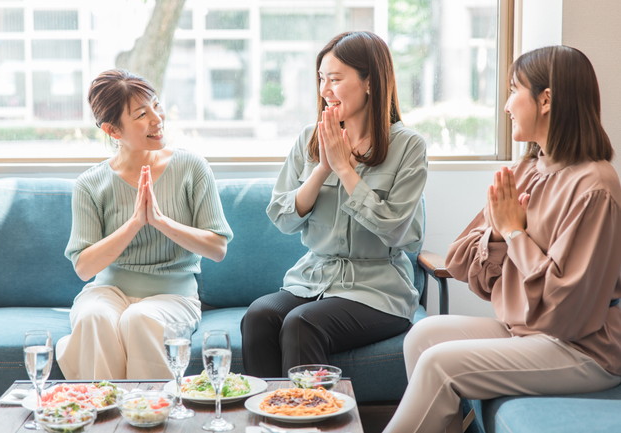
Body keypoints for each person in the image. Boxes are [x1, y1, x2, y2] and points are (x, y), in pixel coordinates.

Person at [383, 45, 621, 433]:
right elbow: (461, 262)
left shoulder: (595, 187)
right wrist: (497, 230)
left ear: (546, 100)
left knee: (438, 365)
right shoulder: (529, 169)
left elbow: (568, 312)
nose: (507, 105)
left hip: (584, 349)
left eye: (514, 90)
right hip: (527, 330)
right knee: (422, 336)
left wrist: (514, 233)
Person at [240, 31, 428, 377]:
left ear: (370, 81)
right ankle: (267, 422)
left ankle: (308, 423)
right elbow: (282, 217)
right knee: (259, 316)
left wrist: (345, 169)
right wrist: (323, 168)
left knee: (302, 324)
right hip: (313, 278)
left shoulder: (408, 146)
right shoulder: (310, 138)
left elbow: (396, 229)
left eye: (336, 79)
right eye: (322, 79)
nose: (325, 90)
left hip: (378, 290)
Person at [56, 69, 233, 380]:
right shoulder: (90, 183)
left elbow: (218, 248)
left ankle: (150, 417)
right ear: (113, 131)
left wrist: (161, 221)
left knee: (139, 318)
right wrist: (135, 223)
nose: (157, 118)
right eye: (141, 113)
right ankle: (103, 419)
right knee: (94, 317)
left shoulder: (191, 167)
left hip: (174, 297)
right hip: (108, 291)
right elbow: (84, 268)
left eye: (156, 105)